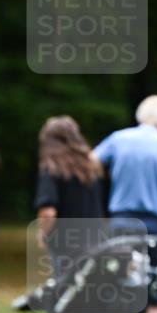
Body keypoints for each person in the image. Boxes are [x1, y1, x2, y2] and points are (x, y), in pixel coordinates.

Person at [92, 95, 157, 313]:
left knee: (114, 284)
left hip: (121, 223)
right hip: (155, 227)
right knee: (155, 294)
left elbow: (91, 162)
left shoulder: (119, 139)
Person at [34, 115, 104, 269]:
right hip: (94, 242)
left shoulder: (51, 168)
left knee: (66, 289)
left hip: (65, 245)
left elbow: (48, 212)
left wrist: (43, 233)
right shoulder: (90, 168)